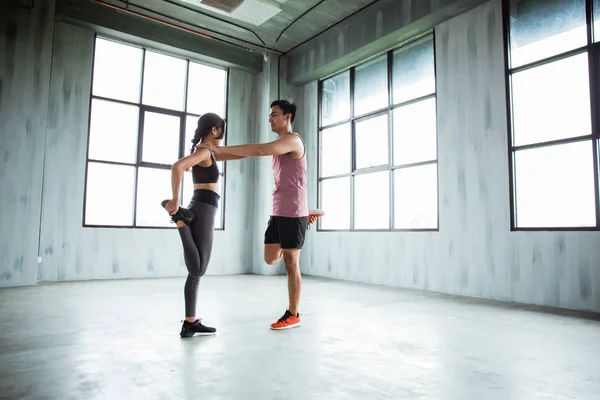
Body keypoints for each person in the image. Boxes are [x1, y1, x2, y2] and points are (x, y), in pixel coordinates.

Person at [198, 100, 319, 331]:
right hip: (279, 210)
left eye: (274, 114)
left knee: (291, 264)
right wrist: (210, 156)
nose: (270, 119)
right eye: (269, 115)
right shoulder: (278, 145)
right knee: (270, 258)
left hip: (293, 211)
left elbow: (260, 150)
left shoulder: (293, 141)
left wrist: (220, 148)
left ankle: (293, 314)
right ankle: (306, 217)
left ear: (288, 117)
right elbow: (246, 154)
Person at [161, 112, 245, 338]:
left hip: (201, 205)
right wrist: (175, 200)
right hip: (205, 207)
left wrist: (254, 151)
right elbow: (177, 167)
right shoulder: (204, 151)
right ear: (215, 129)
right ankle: (180, 220)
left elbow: (240, 154)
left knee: (195, 274)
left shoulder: (207, 152)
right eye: (222, 129)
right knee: (198, 268)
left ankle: (190, 322)